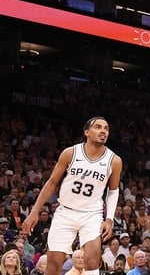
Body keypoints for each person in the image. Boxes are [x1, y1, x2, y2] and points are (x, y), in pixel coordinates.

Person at [21, 117, 123, 275]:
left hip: (92, 214)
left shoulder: (114, 161)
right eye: (98, 127)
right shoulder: (70, 153)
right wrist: (35, 211)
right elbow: (52, 182)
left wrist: (109, 218)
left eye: (106, 128)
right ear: (87, 132)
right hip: (65, 212)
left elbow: (113, 191)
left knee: (92, 261)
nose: (103, 131)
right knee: (53, 265)